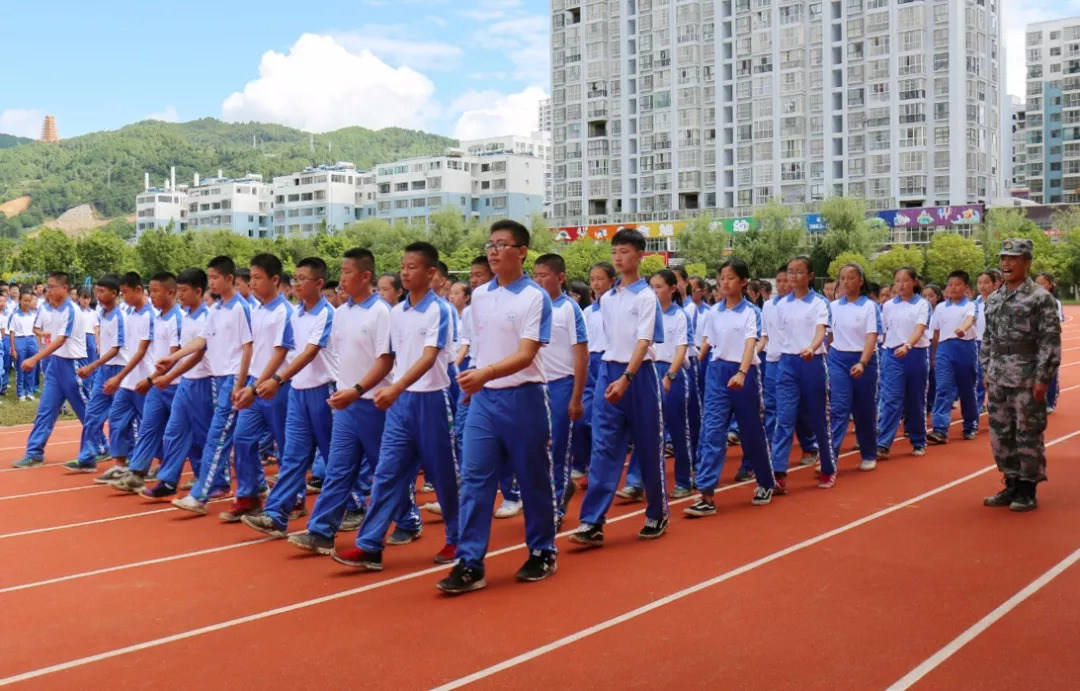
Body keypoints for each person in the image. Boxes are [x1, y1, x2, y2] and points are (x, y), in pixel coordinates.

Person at [438, 220, 557, 593]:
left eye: (502, 244)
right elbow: (472, 344)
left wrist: (485, 372)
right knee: (475, 480)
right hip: (484, 400)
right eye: (490, 244)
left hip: (524, 398)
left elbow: (526, 354)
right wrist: (470, 373)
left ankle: (542, 550)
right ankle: (470, 562)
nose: (492, 251)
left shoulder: (535, 298)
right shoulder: (481, 298)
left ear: (521, 252)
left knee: (533, 477)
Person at [332, 241, 459, 571]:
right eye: (402, 265)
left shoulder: (439, 310)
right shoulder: (398, 312)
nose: (404, 271)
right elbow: (390, 360)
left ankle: (458, 537)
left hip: (433, 399)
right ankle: (369, 544)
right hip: (401, 406)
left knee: (444, 475)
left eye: (412, 266)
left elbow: (429, 357)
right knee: (386, 473)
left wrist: (397, 387)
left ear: (431, 273)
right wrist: (374, 389)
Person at [288, 249, 394, 553]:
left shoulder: (381, 312)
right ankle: (322, 531)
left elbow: (385, 361)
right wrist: (343, 391)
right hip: (345, 402)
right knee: (338, 469)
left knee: (383, 469)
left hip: (373, 403)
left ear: (365, 276)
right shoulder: (342, 312)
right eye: (341, 271)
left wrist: (357, 390)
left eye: (348, 272)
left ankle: (408, 518)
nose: (342, 279)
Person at [570, 228, 669, 548]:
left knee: (648, 446)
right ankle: (593, 521)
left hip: (639, 377)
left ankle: (657, 512)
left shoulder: (645, 296)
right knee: (603, 450)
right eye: (615, 252)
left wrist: (627, 377)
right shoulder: (607, 300)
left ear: (639, 255)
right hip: (608, 373)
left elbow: (644, 340)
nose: (618, 257)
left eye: (624, 251)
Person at [242, 257, 339, 537]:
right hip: (298, 392)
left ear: (319, 284)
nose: (295, 284)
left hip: (324, 391)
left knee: (336, 457)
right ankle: (276, 514)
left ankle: (354, 503)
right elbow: (283, 350)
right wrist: (256, 384)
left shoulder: (327, 313)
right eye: (294, 279)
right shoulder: (295, 313)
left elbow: (310, 352)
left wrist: (277, 380)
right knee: (293, 456)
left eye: (301, 279)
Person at [165, 256, 254, 513]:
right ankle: (256, 488)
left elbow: (248, 346)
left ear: (229, 279)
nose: (212, 282)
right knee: (240, 438)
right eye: (210, 277)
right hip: (219, 380)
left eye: (215, 277)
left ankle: (201, 494)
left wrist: (239, 382)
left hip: (234, 379)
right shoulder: (216, 309)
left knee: (217, 437)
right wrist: (172, 358)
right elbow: (202, 341)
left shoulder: (240, 308)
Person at [687, 258, 776, 515]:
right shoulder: (714, 312)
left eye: (731, 278)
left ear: (743, 282)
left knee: (752, 433)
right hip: (717, 374)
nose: (725, 282)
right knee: (712, 432)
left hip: (745, 375)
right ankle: (706, 494)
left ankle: (765, 482)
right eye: (722, 278)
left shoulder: (752, 312)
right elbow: (709, 344)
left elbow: (750, 344)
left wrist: (741, 372)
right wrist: (692, 363)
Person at [982, 239, 1062, 512]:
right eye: (1004, 258)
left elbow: (1049, 341)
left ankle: (1028, 487)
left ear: (1027, 262)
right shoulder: (994, 298)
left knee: (1027, 433)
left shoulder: (1040, 297)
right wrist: (986, 370)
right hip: (999, 375)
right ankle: (1011, 482)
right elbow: (988, 338)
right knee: (1000, 434)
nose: (1006, 263)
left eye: (1013, 258)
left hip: (1027, 376)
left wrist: (1043, 377)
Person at [217, 253, 294, 522]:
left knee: (286, 445)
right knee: (243, 438)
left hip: (276, 387)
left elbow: (280, 353)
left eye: (258, 278)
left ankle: (291, 499)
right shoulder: (257, 309)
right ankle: (249, 495)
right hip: (254, 384)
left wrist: (258, 385)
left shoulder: (285, 312)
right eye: (251, 278)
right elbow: (249, 348)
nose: (252, 283)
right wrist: (242, 384)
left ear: (275, 280)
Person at [141, 269, 219, 499]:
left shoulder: (206, 317)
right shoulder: (186, 317)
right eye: (180, 291)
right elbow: (186, 353)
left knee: (206, 435)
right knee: (174, 432)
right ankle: (168, 480)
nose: (181, 296)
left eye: (184, 291)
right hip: (186, 382)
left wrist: (168, 373)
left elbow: (198, 354)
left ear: (198, 291)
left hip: (204, 382)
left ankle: (216, 480)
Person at [621, 269, 694, 499]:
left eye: (659, 286)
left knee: (677, 429)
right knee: (646, 428)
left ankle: (683, 479)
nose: (654, 291)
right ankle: (635, 482)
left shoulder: (680, 315)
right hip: (649, 371)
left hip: (671, 372)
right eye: (651, 286)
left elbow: (682, 349)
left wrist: (670, 376)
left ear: (673, 289)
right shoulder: (647, 313)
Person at [111, 273, 183, 491]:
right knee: (148, 428)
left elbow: (174, 356)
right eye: (150, 290)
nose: (152, 295)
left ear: (171, 292)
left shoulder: (176, 319)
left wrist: (150, 379)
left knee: (183, 433)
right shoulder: (159, 318)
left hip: (176, 384)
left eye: (155, 291)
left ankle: (202, 476)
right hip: (157, 384)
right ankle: (137, 472)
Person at [770, 256, 837, 493]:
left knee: (819, 419)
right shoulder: (780, 305)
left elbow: (822, 332)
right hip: (787, 364)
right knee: (784, 419)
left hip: (813, 363)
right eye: (791, 271)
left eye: (799, 272)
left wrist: (811, 347)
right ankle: (778, 473)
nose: (794, 276)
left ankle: (828, 467)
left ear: (810, 276)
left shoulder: (819, 303)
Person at [532, 253, 588, 523]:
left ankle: (556, 507)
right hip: (535, 387)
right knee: (535, 448)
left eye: (544, 275)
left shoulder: (569, 309)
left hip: (561, 385)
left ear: (560, 278)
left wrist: (576, 397)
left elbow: (581, 354)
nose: (538, 280)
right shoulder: (532, 307)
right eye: (536, 275)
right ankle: (552, 494)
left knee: (558, 448)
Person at [13, 273, 89, 468]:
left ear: (64, 288)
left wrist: (35, 358)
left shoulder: (71, 310)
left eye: (52, 286)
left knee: (85, 411)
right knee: (45, 409)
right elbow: (46, 333)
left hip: (72, 364)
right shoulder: (51, 310)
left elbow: (61, 339)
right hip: (56, 364)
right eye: (47, 286)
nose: (48, 290)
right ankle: (35, 452)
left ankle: (100, 446)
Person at [759, 264, 819, 472]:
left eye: (787, 280)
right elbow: (764, 335)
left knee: (800, 409)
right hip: (772, 362)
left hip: (797, 361)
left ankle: (809, 446)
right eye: (780, 280)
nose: (783, 284)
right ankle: (770, 455)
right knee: (773, 409)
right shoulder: (768, 306)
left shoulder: (804, 305)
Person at [64, 275, 125, 473]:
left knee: (124, 419)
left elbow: (116, 348)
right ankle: (87, 457)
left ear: (114, 293)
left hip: (121, 371)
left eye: (101, 291)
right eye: (96, 291)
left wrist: (92, 366)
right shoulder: (103, 314)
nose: (97, 296)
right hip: (104, 371)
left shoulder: (119, 316)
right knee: (92, 413)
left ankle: (132, 459)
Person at [827, 263, 880, 472]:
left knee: (863, 409)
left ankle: (868, 453)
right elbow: (829, 335)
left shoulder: (870, 306)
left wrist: (863, 362)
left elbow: (871, 337)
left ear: (861, 281)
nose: (846, 282)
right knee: (838, 408)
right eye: (843, 278)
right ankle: (830, 456)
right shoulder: (833, 307)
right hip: (838, 358)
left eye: (851, 278)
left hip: (863, 360)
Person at [876, 267, 933, 460]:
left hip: (915, 354)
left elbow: (919, 329)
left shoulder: (922, 305)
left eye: (905, 280)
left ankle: (918, 441)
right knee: (891, 399)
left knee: (915, 400)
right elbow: (882, 331)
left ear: (914, 282)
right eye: (897, 281)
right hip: (892, 355)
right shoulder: (889, 305)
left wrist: (908, 345)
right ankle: (883, 444)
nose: (901, 285)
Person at [927, 271, 980, 444]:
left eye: (957, 284)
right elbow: (935, 333)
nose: (953, 288)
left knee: (967, 389)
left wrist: (962, 329)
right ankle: (940, 429)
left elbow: (970, 319)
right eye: (950, 285)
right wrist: (934, 355)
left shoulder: (970, 305)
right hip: (944, 349)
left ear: (966, 288)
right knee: (943, 388)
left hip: (965, 348)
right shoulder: (941, 308)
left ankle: (970, 424)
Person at [1034, 273, 1065, 413]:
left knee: (1050, 372)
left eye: (1043, 283)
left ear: (1050, 285)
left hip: (1049, 342)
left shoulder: (1054, 302)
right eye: (1037, 282)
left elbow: (1056, 324)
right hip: (1033, 341)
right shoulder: (1029, 300)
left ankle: (1050, 402)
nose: (1040, 286)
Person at [8, 292, 38, 402]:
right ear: (20, 300)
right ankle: (21, 392)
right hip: (20, 340)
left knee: (31, 366)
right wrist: (13, 348)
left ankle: (30, 391)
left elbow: (36, 331)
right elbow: (12, 332)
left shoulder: (34, 315)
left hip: (31, 340)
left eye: (29, 301)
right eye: (25, 300)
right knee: (21, 367)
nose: (27, 303)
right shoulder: (15, 315)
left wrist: (38, 347)